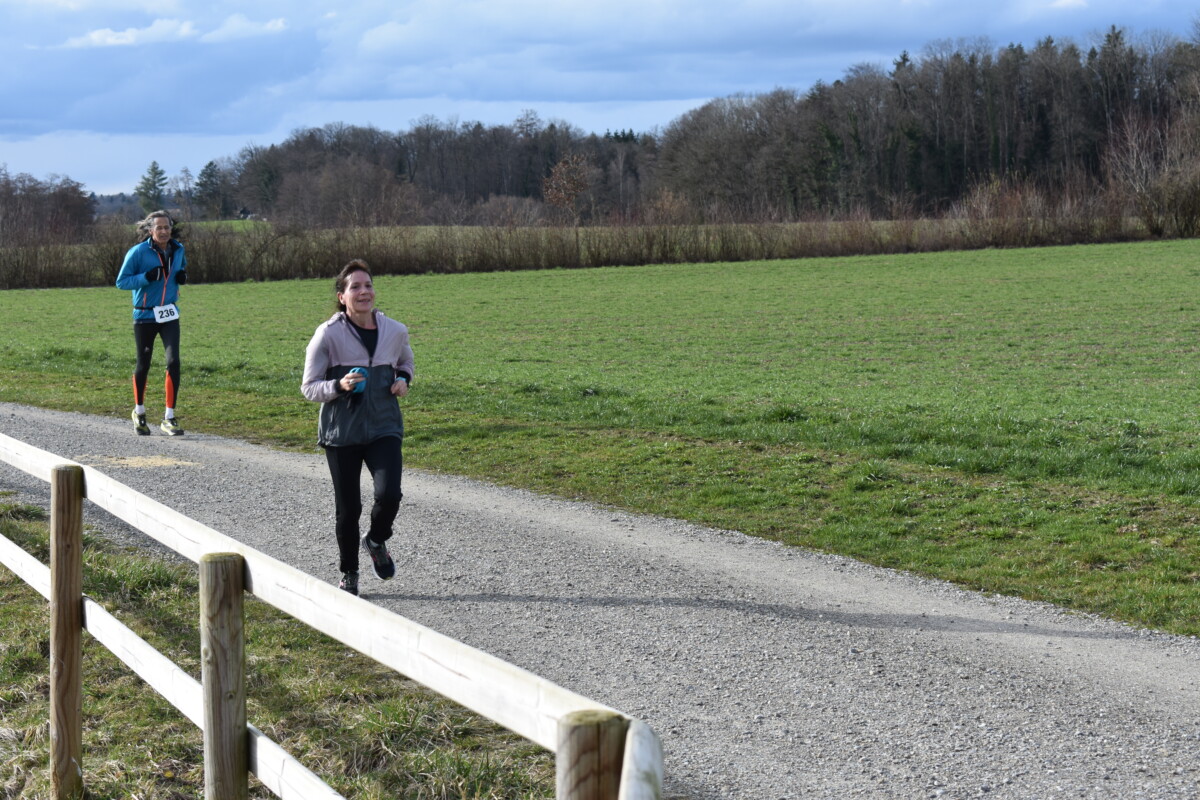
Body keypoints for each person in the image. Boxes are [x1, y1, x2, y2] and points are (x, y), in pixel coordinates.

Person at [301, 259, 414, 596]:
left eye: (368, 285)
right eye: (355, 287)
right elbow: (309, 388)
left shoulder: (395, 330)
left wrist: (403, 379)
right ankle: (349, 572)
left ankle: (376, 540)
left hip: (384, 425)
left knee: (389, 495)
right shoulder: (328, 334)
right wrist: (339, 385)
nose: (364, 292)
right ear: (342, 296)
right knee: (349, 510)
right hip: (342, 433)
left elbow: (406, 361)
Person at [115, 210, 188, 436]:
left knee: (173, 361)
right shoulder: (138, 252)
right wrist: (146, 277)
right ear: (150, 230)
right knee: (143, 364)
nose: (164, 231)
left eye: (167, 227)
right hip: (145, 315)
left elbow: (180, 268)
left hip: (169, 314)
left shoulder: (178, 249)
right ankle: (139, 412)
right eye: (159, 228)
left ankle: (169, 417)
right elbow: (121, 282)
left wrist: (182, 276)